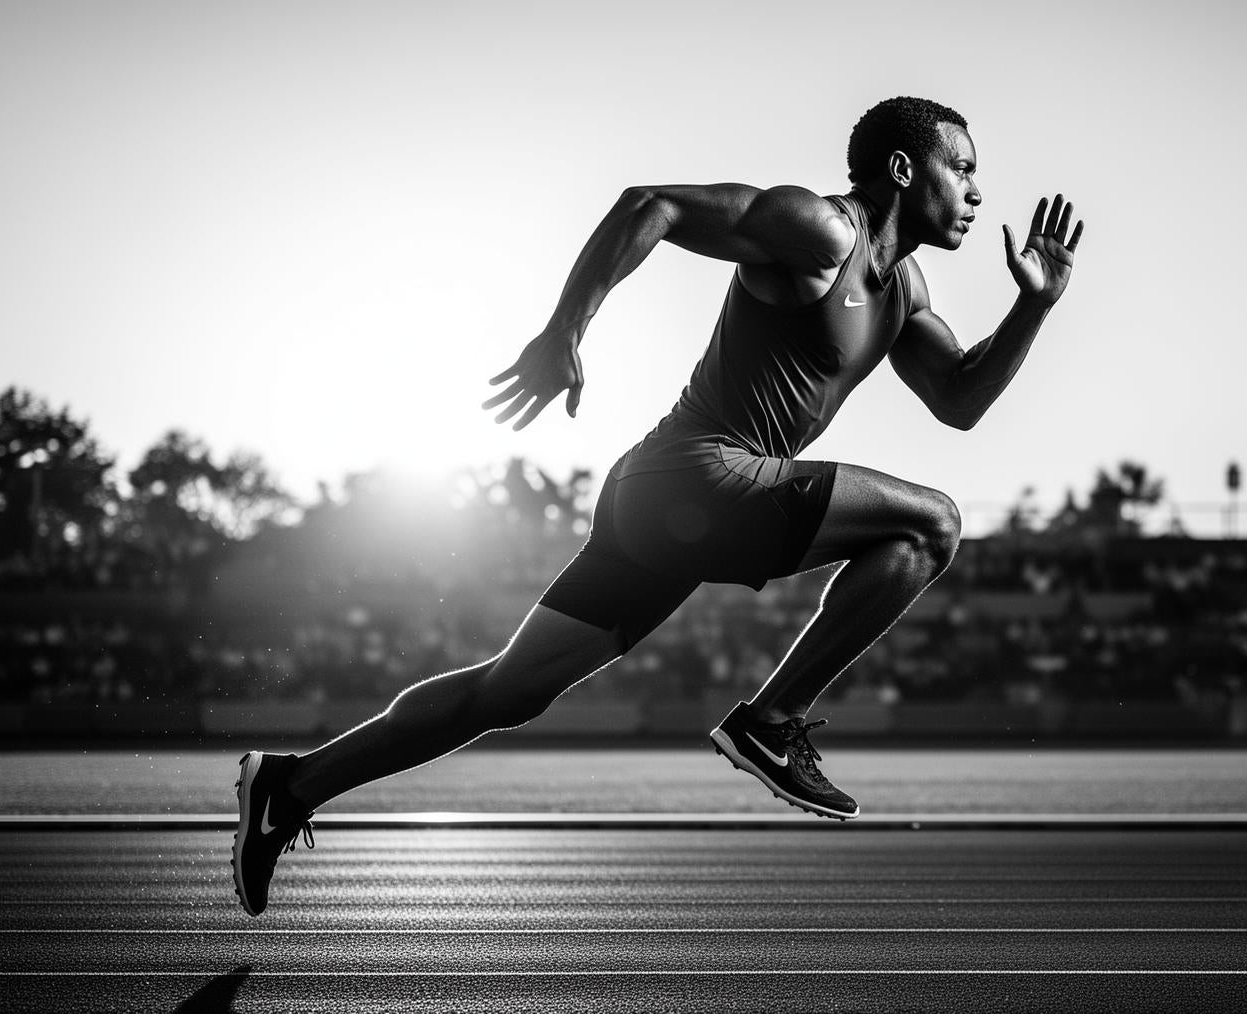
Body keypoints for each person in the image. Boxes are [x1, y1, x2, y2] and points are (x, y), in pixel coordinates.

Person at [232, 96, 1082, 916]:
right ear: (904, 167)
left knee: (506, 693)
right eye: (962, 167)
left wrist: (1034, 306)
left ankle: (289, 785)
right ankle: (771, 722)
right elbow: (656, 204)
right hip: (694, 478)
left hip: (667, 510)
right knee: (933, 522)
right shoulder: (823, 229)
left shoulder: (903, 293)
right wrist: (566, 330)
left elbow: (961, 399)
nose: (977, 191)